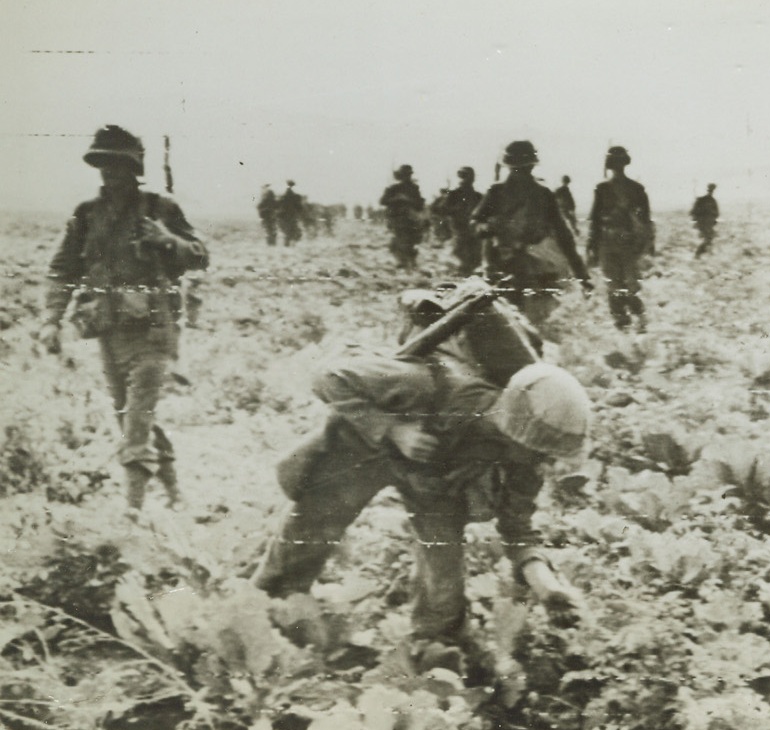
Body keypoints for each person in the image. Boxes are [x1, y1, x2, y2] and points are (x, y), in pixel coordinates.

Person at [252, 284, 591, 673]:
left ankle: (432, 651)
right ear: (516, 430)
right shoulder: (428, 384)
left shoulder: (523, 459)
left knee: (443, 593)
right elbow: (328, 375)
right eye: (539, 451)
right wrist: (393, 429)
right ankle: (262, 619)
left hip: (433, 479)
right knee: (306, 537)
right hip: (364, 449)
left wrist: (548, 588)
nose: (543, 462)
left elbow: (517, 528)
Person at [36, 125, 209, 512]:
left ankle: (132, 511)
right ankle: (175, 492)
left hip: (153, 331)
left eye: (117, 164)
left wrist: (166, 239)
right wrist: (51, 319)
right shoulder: (86, 215)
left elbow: (200, 255)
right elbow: (62, 270)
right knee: (129, 417)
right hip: (107, 331)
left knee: (136, 420)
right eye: (103, 164)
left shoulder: (159, 209)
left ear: (134, 168)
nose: (109, 172)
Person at [472, 140, 591, 328]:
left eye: (524, 168)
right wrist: (489, 228)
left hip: (534, 266)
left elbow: (564, 236)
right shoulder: (496, 192)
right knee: (509, 322)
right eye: (519, 169)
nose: (522, 173)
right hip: (502, 264)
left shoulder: (543, 194)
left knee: (529, 323)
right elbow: (476, 223)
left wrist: (582, 275)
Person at [587, 146, 655, 331]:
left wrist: (591, 247)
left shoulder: (602, 188)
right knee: (629, 286)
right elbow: (646, 222)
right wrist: (649, 246)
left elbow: (594, 221)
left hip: (609, 242)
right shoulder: (636, 189)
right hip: (628, 243)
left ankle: (624, 326)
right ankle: (638, 323)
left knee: (615, 287)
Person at [380, 165, 426, 270]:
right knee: (400, 241)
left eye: (408, 175)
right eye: (405, 175)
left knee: (408, 241)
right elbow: (383, 201)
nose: (407, 177)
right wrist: (397, 198)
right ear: (401, 176)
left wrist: (409, 201)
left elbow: (420, 205)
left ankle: (407, 262)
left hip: (411, 219)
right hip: (398, 219)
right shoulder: (394, 188)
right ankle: (404, 262)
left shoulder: (414, 188)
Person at [442, 167, 484, 277]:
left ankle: (471, 275)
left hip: (473, 230)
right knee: (460, 253)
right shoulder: (454, 194)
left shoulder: (477, 196)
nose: (467, 179)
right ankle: (461, 273)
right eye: (465, 176)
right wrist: (456, 209)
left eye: (469, 176)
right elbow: (442, 210)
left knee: (475, 255)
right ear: (460, 177)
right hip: (459, 228)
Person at [690, 183, 719, 258]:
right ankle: (698, 254)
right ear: (709, 190)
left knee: (709, 239)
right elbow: (693, 212)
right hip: (703, 223)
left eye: (712, 190)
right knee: (708, 238)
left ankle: (701, 254)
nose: (711, 191)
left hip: (709, 223)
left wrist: (713, 219)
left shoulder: (712, 201)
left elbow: (716, 213)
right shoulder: (702, 200)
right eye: (711, 190)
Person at [278, 180, 305, 246]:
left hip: (284, 216)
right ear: (293, 186)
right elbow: (299, 207)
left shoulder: (284, 196)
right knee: (293, 229)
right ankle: (291, 244)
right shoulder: (295, 196)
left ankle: (287, 244)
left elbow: (279, 205)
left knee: (287, 230)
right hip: (292, 215)